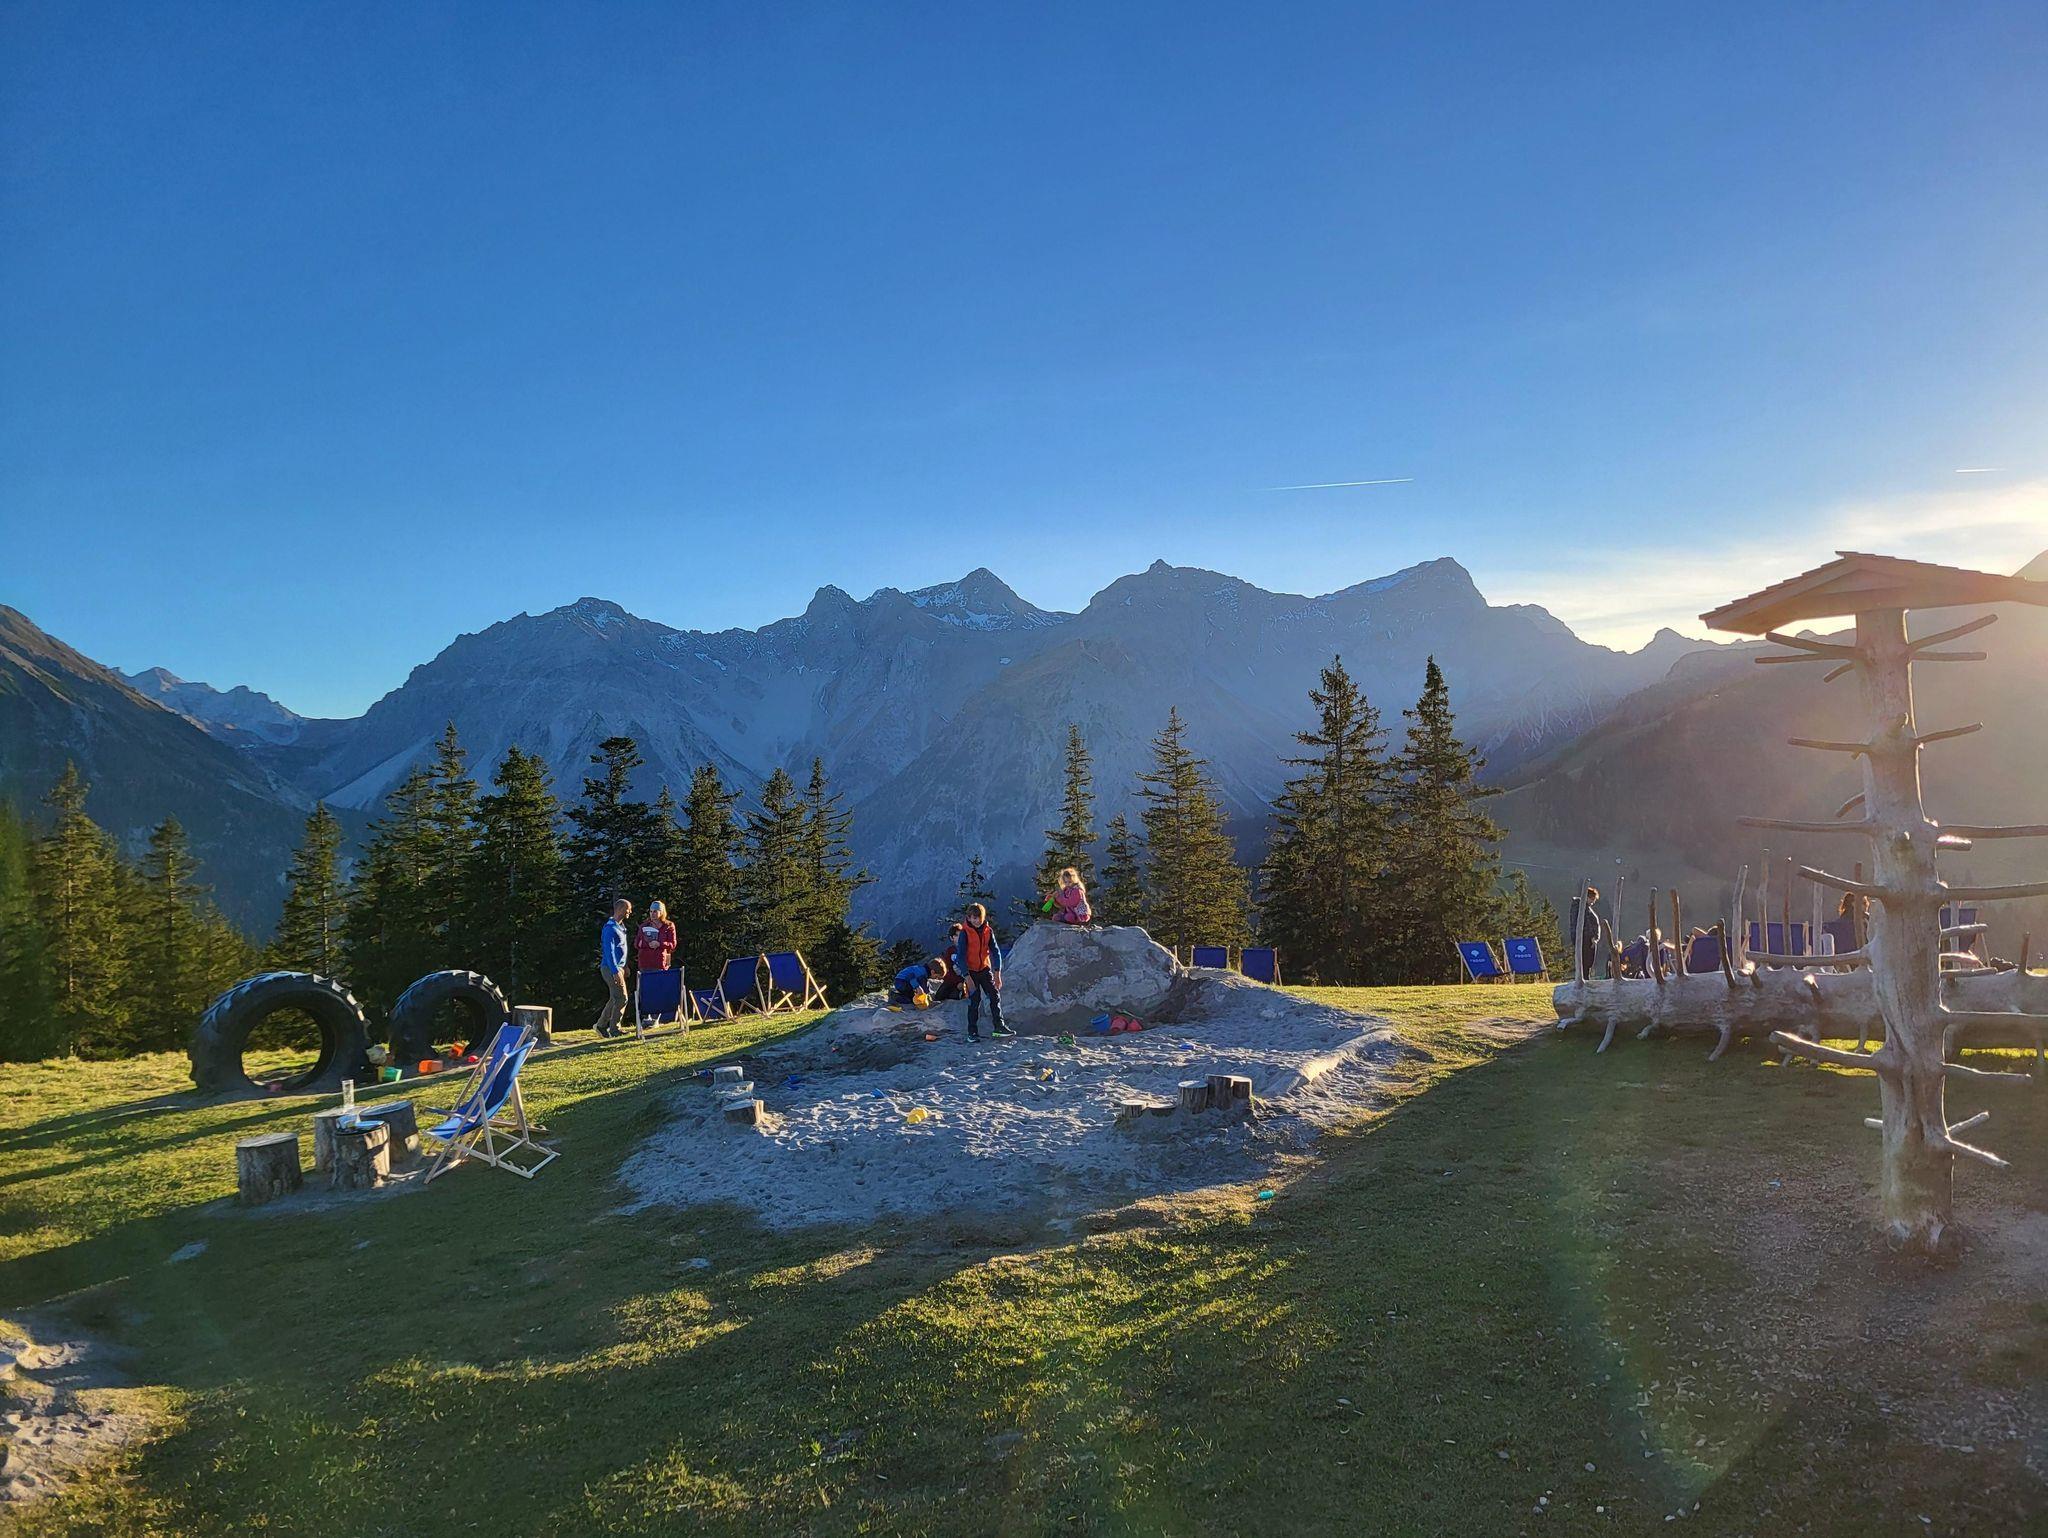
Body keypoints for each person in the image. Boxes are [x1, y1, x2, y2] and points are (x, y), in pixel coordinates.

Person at [952, 902, 1011, 1041]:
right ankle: (972, 1032)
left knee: (994, 995)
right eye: (973, 918)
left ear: (983, 917)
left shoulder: (988, 931)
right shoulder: (965, 933)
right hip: (971, 972)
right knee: (975, 1000)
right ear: (969, 918)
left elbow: (995, 952)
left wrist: (997, 973)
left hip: (984, 969)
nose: (976, 921)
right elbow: (960, 957)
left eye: (979, 917)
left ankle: (999, 1026)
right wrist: (967, 977)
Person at [592, 898, 633, 1038]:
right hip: (610, 968)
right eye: (628, 909)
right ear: (620, 909)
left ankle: (601, 1025)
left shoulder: (621, 927)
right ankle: (614, 1029)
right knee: (622, 998)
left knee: (615, 997)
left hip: (619, 968)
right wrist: (615, 971)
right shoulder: (610, 928)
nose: (630, 912)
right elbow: (609, 952)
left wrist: (625, 966)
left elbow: (621, 949)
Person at [1572, 886, 1611, 978]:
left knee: (1588, 962)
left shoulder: (1585, 908)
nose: (1593, 902)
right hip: (1586, 939)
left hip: (1588, 939)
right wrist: (1592, 937)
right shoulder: (1581, 908)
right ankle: (1584, 979)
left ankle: (1586, 977)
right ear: (1587, 897)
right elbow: (1585, 923)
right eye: (1593, 899)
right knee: (1586, 961)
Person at [636, 900, 677, 973]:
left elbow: (672, 944)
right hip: (645, 963)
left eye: (655, 911)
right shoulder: (644, 926)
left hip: (660, 963)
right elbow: (637, 943)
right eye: (651, 911)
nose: (652, 914)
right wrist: (647, 944)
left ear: (661, 912)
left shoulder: (668, 926)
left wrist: (660, 944)